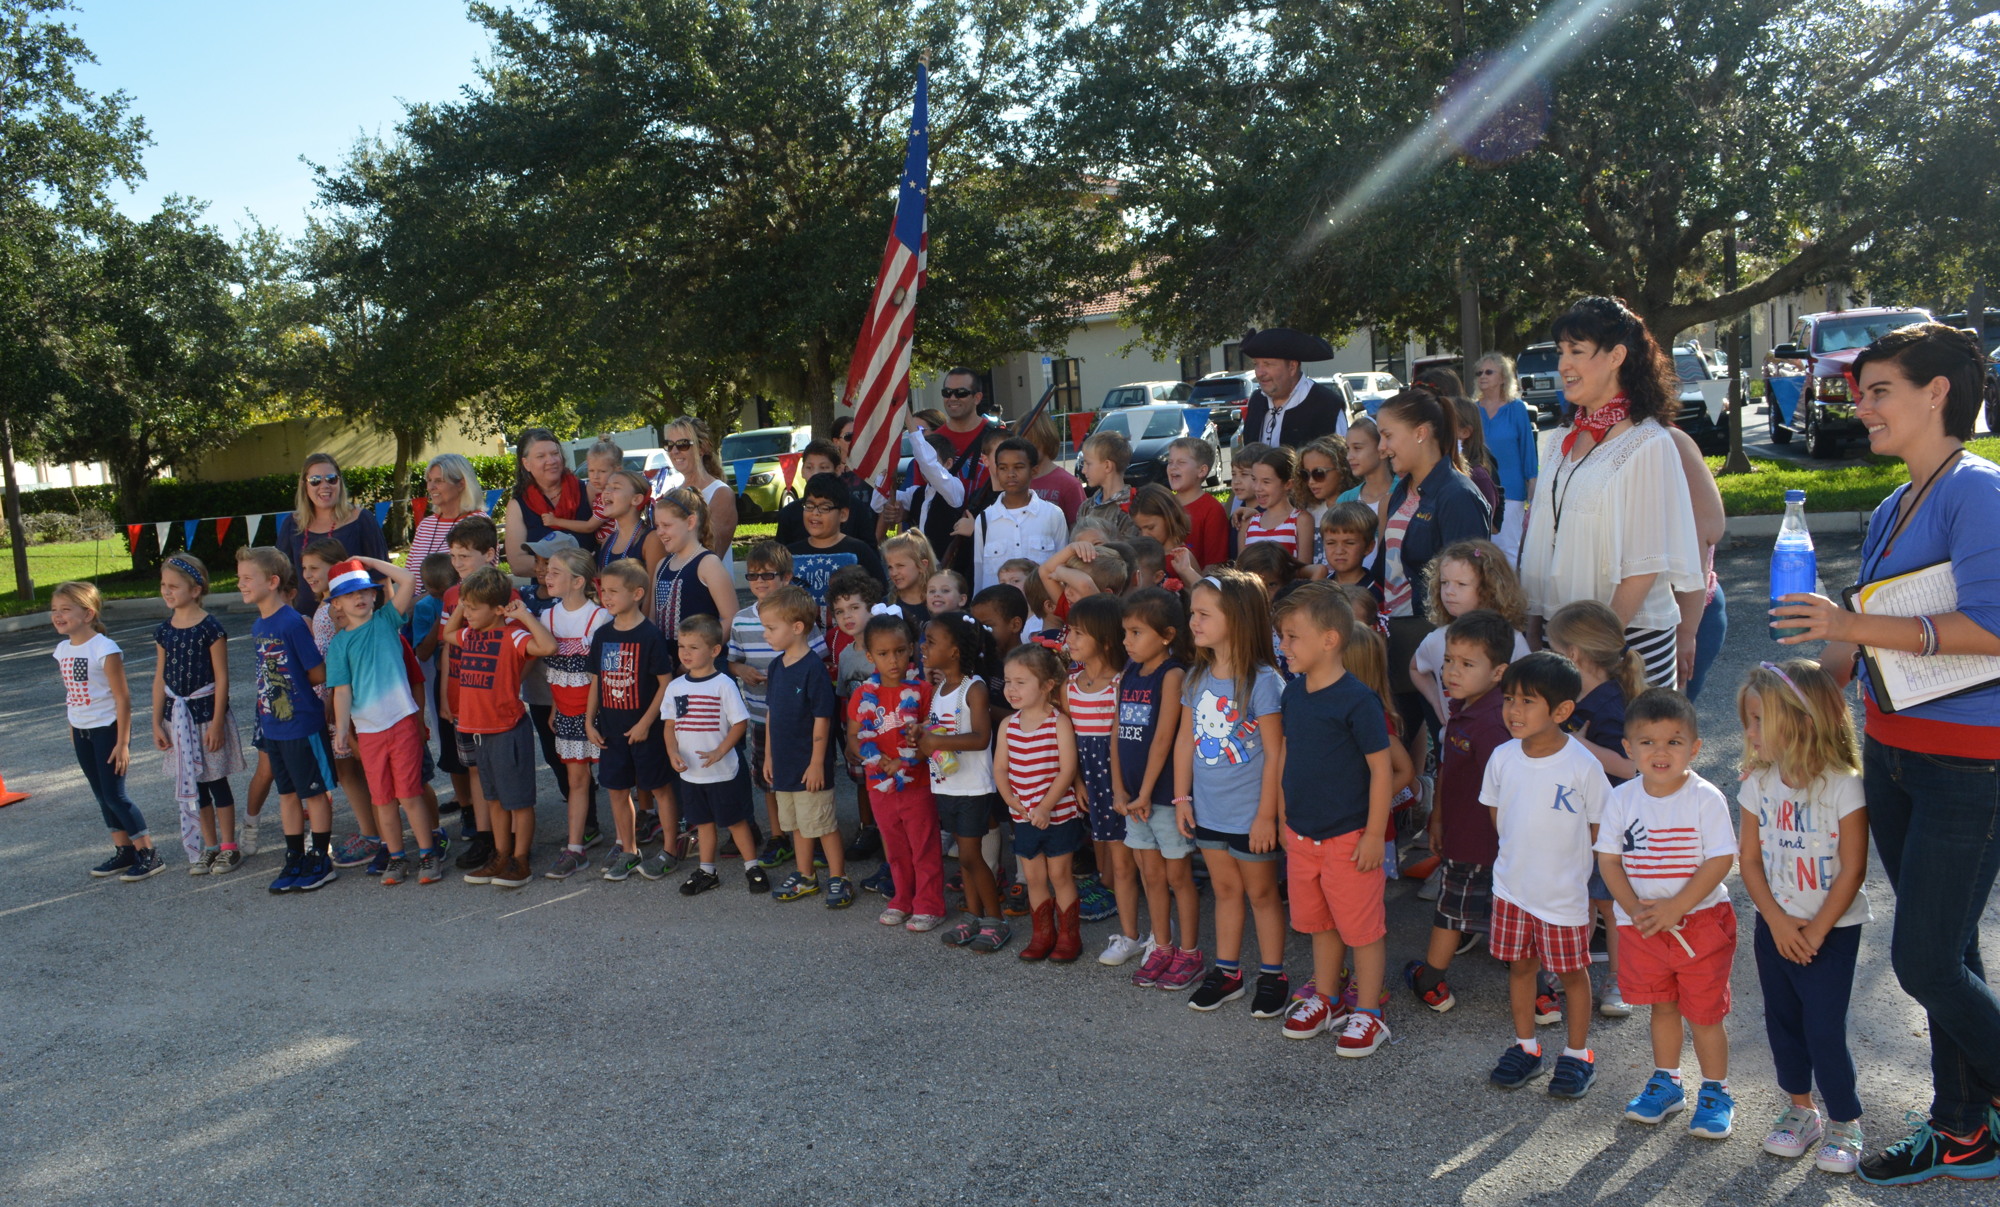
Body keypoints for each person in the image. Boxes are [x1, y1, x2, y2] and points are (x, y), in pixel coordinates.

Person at [1773, 322, 2000, 1185]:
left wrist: (1850, 623)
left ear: (1936, 393)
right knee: (1955, 956)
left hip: (1970, 762)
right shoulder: (1893, 501)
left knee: (1925, 959)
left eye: (1878, 391)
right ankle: (1963, 1131)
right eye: (1859, 390)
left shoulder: (1977, 490)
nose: (1858, 404)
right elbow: (1859, 639)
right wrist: (1806, 685)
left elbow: (1994, 627)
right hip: (1895, 752)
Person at [1519, 297, 1703, 687]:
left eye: (1577, 351)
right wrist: (1535, 627)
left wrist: (1595, 654)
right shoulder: (1560, 440)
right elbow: (1543, 540)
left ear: (1617, 355)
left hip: (1623, 644)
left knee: (1626, 745)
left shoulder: (1648, 443)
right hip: (1559, 639)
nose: (1563, 365)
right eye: (1561, 352)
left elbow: (1644, 565)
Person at [1736, 659, 1870, 1175]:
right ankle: (1800, 1110)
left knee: (1822, 1026)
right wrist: (1776, 920)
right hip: (1775, 927)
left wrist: (1813, 930)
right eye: (1748, 719)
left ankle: (1845, 1121)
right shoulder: (1757, 783)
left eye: (1758, 721)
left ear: (1803, 721)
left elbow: (1853, 869)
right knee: (1782, 1020)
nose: (1749, 733)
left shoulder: (1844, 785)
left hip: (1830, 932)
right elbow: (1748, 860)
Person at [1594, 688, 1739, 1141]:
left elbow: (1720, 860)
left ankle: (1715, 1091)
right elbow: (1609, 860)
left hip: (1700, 923)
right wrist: (1634, 909)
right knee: (1662, 1004)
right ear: (1628, 749)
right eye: (1648, 742)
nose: (1660, 752)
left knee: (1706, 1014)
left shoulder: (1705, 797)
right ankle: (1667, 1081)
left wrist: (1678, 906)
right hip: (1643, 924)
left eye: (1674, 742)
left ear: (1694, 748)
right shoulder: (1621, 799)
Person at [1481, 652, 1612, 1098]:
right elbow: (1499, 817)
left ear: (1561, 711)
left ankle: (1577, 1056)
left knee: (1573, 974)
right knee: (1521, 968)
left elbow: (1601, 833)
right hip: (1512, 890)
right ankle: (1526, 1047)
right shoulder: (1501, 758)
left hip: (1563, 896)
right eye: (1509, 699)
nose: (1514, 711)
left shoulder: (1584, 766)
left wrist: (1593, 890)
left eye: (1528, 702)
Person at [1272, 583, 1395, 1057]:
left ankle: (1369, 1011)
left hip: (1350, 838)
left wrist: (1374, 835)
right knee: (1319, 923)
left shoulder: (1357, 700)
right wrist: (1283, 811)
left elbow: (1381, 769)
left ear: (1329, 639)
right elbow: (1288, 751)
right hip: (1302, 836)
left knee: (1362, 930)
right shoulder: (1294, 694)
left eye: (1291, 636)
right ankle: (1327, 999)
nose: (1284, 646)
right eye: (1282, 637)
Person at [1173, 570, 1289, 1016]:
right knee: (1224, 889)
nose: (1194, 623)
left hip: (1250, 814)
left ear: (1237, 618)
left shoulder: (1264, 681)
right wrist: (1183, 798)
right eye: (1192, 614)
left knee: (1261, 893)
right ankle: (1228, 973)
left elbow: (1277, 754)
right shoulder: (1196, 675)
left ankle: (1273, 975)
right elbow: (1186, 740)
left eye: (1204, 614)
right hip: (1209, 809)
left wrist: (1267, 816)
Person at [1403, 611, 1514, 1012]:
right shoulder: (1465, 707)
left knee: (1452, 912)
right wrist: (1437, 818)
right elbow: (1450, 771)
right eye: (1449, 660)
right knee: (1501, 913)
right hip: (1464, 835)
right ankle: (1539, 992)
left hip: (1481, 843)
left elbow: (1505, 792)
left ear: (1498, 671)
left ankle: (1430, 979)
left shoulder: (1493, 723)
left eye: (1467, 664)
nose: (1452, 671)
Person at [1375, 383, 1494, 749]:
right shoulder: (1402, 488)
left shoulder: (1458, 495)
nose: (1381, 448)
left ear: (1421, 433)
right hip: (1399, 638)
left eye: (1387, 436)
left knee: (1450, 746)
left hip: (1438, 646)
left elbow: (1473, 587)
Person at [1546, 599, 1643, 1018]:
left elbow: (1633, 766)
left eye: (1551, 647)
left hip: (1610, 823)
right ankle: (1575, 970)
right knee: (1580, 899)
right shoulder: (1578, 695)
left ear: (1573, 655)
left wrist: (1582, 746)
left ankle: (1620, 980)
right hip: (1576, 819)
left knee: (1610, 904)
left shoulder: (1611, 704)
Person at [323, 556, 443, 887]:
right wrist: (342, 731)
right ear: (336, 604)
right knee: (383, 799)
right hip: (369, 732)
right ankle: (396, 856)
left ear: (375, 595)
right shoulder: (339, 645)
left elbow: (406, 578)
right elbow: (342, 692)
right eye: (349, 595)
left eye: (364, 591)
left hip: (402, 722)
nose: (359, 598)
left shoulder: (388, 620)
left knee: (410, 794)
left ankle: (427, 853)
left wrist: (369, 562)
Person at [444, 566, 558, 888]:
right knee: (493, 800)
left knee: (518, 802)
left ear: (497, 608)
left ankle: (521, 861)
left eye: (472, 607)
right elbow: (448, 635)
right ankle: (501, 855)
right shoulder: (470, 634)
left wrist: (522, 616)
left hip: (508, 731)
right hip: (479, 732)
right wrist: (463, 605)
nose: (466, 613)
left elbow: (548, 647)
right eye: (464, 606)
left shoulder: (514, 635)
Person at [237, 546, 340, 894]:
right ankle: (294, 854)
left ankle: (319, 858)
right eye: (240, 579)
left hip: (301, 724)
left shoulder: (293, 623)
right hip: (274, 726)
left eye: (247, 578)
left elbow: (316, 672)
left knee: (314, 794)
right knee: (287, 794)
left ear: (273, 581)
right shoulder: (258, 625)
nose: (241, 584)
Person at [1112, 589, 1197, 989]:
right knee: (1150, 875)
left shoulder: (1173, 674)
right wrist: (1120, 791)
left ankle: (1190, 952)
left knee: (1178, 877)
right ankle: (1161, 946)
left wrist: (1145, 792)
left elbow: (1164, 737)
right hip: (1133, 798)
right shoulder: (1129, 673)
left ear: (1166, 635)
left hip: (1160, 797)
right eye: (1125, 632)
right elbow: (1116, 735)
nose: (1127, 641)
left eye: (1135, 632)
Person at [728, 543, 829, 877]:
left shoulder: (800, 619)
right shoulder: (742, 621)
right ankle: (778, 835)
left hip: (800, 720)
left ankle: (812, 838)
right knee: (768, 780)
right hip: (761, 714)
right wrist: (743, 672)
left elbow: (819, 661)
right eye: (752, 576)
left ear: (786, 578)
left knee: (805, 782)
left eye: (767, 575)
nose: (759, 582)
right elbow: (733, 660)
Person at [846, 612, 945, 931]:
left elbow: (934, 733)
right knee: (896, 846)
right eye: (884, 653)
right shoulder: (863, 695)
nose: (893, 660)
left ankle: (930, 904)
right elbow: (853, 735)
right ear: (870, 654)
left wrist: (906, 758)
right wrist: (874, 758)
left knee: (923, 845)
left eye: (900, 651)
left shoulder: (924, 691)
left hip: (916, 785)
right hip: (879, 786)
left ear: (911, 650)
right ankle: (903, 898)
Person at [53, 582, 157, 882]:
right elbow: (73, 695)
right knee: (101, 795)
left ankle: (148, 853)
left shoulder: (104, 648)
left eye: (65, 610)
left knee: (115, 795)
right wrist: (73, 728)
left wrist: (123, 743)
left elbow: (122, 698)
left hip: (107, 731)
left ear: (88, 614)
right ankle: (124, 850)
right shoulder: (61, 650)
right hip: (82, 732)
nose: (58, 616)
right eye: (54, 610)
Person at [151, 554, 245, 875]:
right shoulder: (164, 631)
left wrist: (217, 722)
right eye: (164, 585)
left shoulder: (210, 628)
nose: (166, 591)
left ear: (195, 590)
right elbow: (159, 679)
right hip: (176, 718)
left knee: (216, 781)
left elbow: (222, 677)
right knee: (195, 786)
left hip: (206, 717)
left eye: (174, 586)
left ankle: (229, 846)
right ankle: (209, 845)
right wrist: (156, 723)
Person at [586, 559, 676, 883]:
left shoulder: (650, 635)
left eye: (613, 591)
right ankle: (629, 850)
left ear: (637, 593)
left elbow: (666, 684)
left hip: (645, 731)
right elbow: (597, 679)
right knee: (616, 789)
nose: (606, 597)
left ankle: (669, 850)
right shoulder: (602, 635)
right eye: (603, 591)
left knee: (660, 789)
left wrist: (646, 723)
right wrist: (589, 721)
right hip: (611, 729)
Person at [664, 614, 766, 897]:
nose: (685, 652)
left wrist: (721, 751)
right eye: (682, 646)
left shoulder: (723, 684)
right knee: (703, 823)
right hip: (692, 773)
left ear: (714, 650)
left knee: (735, 821)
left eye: (693, 647)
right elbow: (670, 726)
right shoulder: (675, 687)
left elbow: (739, 723)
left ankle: (752, 866)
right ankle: (707, 871)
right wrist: (672, 751)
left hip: (723, 771)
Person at [757, 584, 846, 907]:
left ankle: (838, 876)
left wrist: (816, 763)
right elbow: (771, 714)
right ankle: (805, 875)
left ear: (796, 628)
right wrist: (768, 756)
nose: (765, 634)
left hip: (810, 765)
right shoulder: (777, 667)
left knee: (822, 824)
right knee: (796, 824)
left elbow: (823, 719)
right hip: (783, 764)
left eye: (770, 628)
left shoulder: (813, 670)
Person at [996, 641, 1085, 962]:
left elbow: (1067, 769)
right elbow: (1001, 769)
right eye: (1007, 681)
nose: (1011, 689)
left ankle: (1068, 936)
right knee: (1034, 877)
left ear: (1047, 686)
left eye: (1021, 682)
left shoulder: (1058, 722)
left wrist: (1046, 806)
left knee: (1060, 876)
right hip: (1023, 817)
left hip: (1058, 815)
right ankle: (1042, 934)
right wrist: (1012, 802)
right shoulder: (1008, 725)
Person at [921, 611, 1004, 950]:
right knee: (964, 857)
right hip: (947, 785)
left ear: (954, 651)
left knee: (970, 856)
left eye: (930, 642)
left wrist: (936, 741)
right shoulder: (940, 688)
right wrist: (922, 735)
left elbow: (982, 738)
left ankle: (995, 920)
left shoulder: (975, 689)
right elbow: (939, 731)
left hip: (973, 787)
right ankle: (973, 915)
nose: (923, 648)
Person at [1064, 594, 1138, 955]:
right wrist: (1077, 780)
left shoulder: (1122, 683)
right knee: (1102, 836)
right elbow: (1070, 739)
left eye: (1079, 633)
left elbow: (1120, 737)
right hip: (1089, 775)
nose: (1070, 641)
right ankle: (1110, 892)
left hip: (1119, 775)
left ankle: (1125, 900)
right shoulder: (1070, 684)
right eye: (1069, 632)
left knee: (1126, 848)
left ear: (1106, 639)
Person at [536, 547, 610, 881]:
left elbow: (598, 676)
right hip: (566, 712)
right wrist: (556, 707)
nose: (546, 576)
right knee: (576, 780)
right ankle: (575, 848)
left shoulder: (599, 618)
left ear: (578, 581)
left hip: (599, 713)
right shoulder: (547, 617)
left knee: (620, 780)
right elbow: (554, 672)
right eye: (547, 570)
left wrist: (589, 716)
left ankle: (629, 842)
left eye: (554, 571)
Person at [1409, 540, 1533, 728]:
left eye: (1461, 584)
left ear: (1489, 589)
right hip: (1452, 745)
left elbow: (1529, 691)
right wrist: (1436, 702)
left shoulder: (1512, 641)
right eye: (1444, 582)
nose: (1449, 592)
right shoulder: (1437, 638)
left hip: (1498, 743)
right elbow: (1415, 668)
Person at [275, 452, 388, 618]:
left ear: (340, 482)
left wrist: (389, 624)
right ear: (304, 486)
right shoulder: (292, 524)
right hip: (306, 623)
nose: (324, 485)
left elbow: (383, 578)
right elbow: (282, 580)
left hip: (356, 625)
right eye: (315, 481)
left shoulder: (361, 519)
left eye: (331, 478)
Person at [647, 486, 738, 669]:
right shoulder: (661, 566)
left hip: (704, 670)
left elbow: (731, 617)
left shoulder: (708, 563)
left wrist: (699, 657)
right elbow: (653, 619)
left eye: (667, 525)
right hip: (669, 668)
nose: (660, 532)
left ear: (690, 522)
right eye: (657, 526)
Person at [970, 437, 1066, 593]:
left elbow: (1061, 569)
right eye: (1003, 468)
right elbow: (979, 573)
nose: (1010, 474)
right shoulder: (984, 519)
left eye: (1019, 467)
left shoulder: (1053, 515)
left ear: (1033, 471)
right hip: (998, 611)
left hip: (1042, 611)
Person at [503, 427, 598, 578]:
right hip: (547, 594)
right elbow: (517, 563)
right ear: (526, 464)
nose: (551, 461)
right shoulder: (517, 506)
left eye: (555, 454)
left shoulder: (588, 491)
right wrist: (572, 569)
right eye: (541, 456)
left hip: (590, 589)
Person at [1471, 352, 1539, 562]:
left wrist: (1532, 485)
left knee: (1508, 551)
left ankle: (1509, 595)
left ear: (1503, 378)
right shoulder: (1473, 409)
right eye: (1479, 372)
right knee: (1480, 552)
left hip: (1511, 491)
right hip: (1478, 490)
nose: (1483, 376)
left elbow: (1528, 449)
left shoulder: (1516, 408)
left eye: (1489, 372)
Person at [786, 473, 888, 602]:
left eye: (824, 508)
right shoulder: (790, 554)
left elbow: (880, 596)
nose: (815, 513)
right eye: (810, 506)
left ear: (843, 514)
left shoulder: (860, 551)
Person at [1240, 327, 1346, 447]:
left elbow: (1340, 461)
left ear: (1292, 367)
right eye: (1256, 364)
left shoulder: (1327, 406)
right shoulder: (1257, 402)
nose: (1259, 373)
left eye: (1267, 364)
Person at [663, 415, 737, 571]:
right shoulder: (671, 494)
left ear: (702, 448)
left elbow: (713, 554)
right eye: (669, 445)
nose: (674, 451)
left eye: (683, 444)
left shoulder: (720, 493)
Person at [406, 453, 486, 595]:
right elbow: (408, 576)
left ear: (461, 484)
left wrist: (416, 605)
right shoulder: (426, 525)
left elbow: (477, 581)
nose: (431, 487)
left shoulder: (478, 523)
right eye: (429, 480)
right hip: (417, 614)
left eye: (439, 481)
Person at [1163, 437, 1229, 568]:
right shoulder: (1163, 504)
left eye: (1181, 462)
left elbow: (1214, 565)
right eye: (1170, 462)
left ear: (1201, 471)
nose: (1173, 467)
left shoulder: (1212, 510)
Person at [1236, 445, 1307, 560]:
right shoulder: (1248, 523)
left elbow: (1305, 569)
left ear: (1288, 484)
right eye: (1254, 479)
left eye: (1266, 482)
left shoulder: (1301, 520)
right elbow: (1240, 571)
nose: (1257, 488)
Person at [1021, 409, 1088, 526]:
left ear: (1045, 439)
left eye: (1031, 443)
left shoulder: (1069, 484)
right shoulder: (1016, 481)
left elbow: (1081, 530)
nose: (1024, 450)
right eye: (1020, 444)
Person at [593, 467, 663, 571]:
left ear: (636, 499)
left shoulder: (652, 540)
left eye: (615, 487)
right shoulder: (607, 541)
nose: (606, 492)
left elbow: (653, 586)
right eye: (606, 487)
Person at [881, 530, 938, 630]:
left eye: (900, 566)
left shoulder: (938, 602)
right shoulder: (886, 604)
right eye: (890, 567)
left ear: (922, 565)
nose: (894, 573)